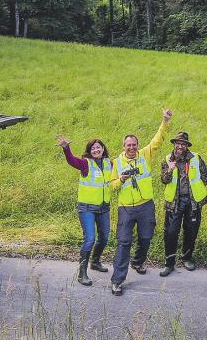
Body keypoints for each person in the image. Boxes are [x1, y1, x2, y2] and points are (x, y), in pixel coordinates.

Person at [109, 109, 172, 296]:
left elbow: (157, 140)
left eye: (134, 144)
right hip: (126, 208)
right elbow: (112, 186)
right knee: (124, 242)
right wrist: (121, 179)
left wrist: (165, 121)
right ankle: (117, 281)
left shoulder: (145, 155)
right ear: (123, 146)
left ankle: (137, 261)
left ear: (137, 145)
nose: (131, 147)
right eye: (128, 145)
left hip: (146, 206)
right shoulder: (116, 162)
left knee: (146, 238)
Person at [55, 135, 112, 286]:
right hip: (87, 208)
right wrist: (66, 148)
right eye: (93, 148)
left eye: (98, 147)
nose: (96, 149)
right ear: (89, 151)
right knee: (90, 239)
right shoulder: (86, 163)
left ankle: (95, 262)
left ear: (103, 149)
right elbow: (72, 161)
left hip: (104, 207)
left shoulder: (109, 163)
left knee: (105, 237)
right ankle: (82, 273)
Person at [159, 132, 207, 277]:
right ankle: (169, 263)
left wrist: (196, 191)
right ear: (174, 144)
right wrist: (169, 169)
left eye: (183, 144)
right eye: (178, 143)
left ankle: (187, 258)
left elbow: (206, 176)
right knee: (170, 232)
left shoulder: (196, 158)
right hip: (175, 203)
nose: (180, 146)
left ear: (187, 146)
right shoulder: (167, 159)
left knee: (191, 230)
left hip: (192, 202)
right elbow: (163, 180)